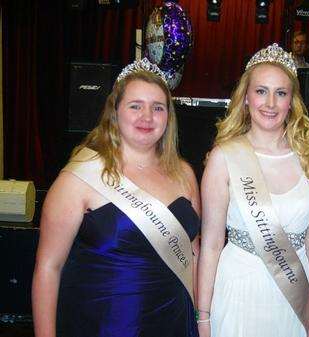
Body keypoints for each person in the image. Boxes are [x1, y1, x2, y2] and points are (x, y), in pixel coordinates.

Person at [32, 58, 200, 337]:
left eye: (157, 108)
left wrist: (200, 319)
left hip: (175, 321)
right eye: (135, 106)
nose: (147, 117)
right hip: (108, 323)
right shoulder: (80, 177)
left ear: (168, 117)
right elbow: (49, 267)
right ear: (115, 111)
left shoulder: (184, 174)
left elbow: (192, 254)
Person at [197, 43, 309, 337]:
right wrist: (203, 318)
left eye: (280, 93)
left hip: (294, 295)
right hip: (237, 290)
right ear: (245, 97)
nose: (270, 103)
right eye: (261, 91)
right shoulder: (224, 157)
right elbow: (211, 243)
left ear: (292, 100)